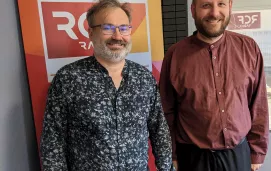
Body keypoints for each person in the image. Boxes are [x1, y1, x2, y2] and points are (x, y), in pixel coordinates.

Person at [40, 0, 173, 170]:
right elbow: (53, 141)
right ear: (90, 33)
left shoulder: (144, 78)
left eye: (124, 28)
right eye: (107, 28)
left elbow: (159, 129)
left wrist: (167, 168)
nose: (117, 36)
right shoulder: (68, 78)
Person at [159, 0, 269, 171]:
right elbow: (167, 111)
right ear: (193, 9)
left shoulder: (249, 49)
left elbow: (258, 104)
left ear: (230, 6)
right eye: (206, 5)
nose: (215, 13)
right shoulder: (175, 55)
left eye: (221, 4)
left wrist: (257, 151)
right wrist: (172, 153)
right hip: (192, 157)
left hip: (238, 154)